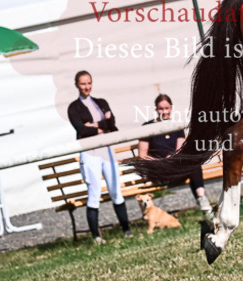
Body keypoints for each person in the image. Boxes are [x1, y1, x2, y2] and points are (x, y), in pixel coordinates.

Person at [66, 70, 132, 243]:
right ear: (77, 85)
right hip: (89, 152)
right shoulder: (74, 107)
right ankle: (96, 236)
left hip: (106, 149)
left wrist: (94, 125)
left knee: (115, 190)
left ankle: (126, 229)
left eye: (89, 83)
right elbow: (81, 129)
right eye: (83, 84)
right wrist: (99, 125)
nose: (86, 87)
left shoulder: (101, 102)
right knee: (94, 192)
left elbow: (112, 124)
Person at [137, 93, 213, 219]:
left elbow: (180, 150)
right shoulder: (147, 127)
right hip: (158, 170)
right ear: (156, 109)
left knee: (193, 164)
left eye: (167, 108)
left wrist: (171, 159)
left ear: (171, 108)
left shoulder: (177, 126)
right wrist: (161, 161)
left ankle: (202, 199)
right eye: (161, 109)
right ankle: (204, 205)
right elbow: (142, 155)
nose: (164, 112)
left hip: (174, 168)